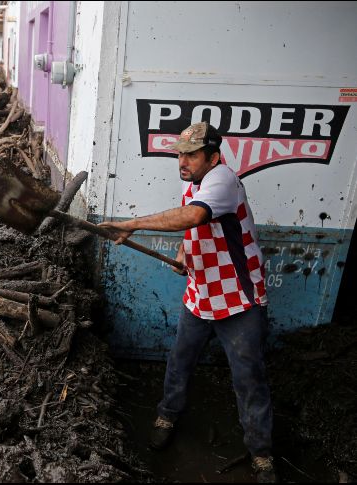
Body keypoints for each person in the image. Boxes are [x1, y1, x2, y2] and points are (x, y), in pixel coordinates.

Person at [98, 122, 276, 483]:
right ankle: (167, 414)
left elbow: (195, 215)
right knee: (179, 360)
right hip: (200, 293)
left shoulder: (223, 180)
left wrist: (132, 223)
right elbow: (197, 225)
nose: (183, 161)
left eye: (191, 154)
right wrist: (184, 251)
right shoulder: (193, 180)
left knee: (248, 378)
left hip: (238, 300)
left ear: (213, 156)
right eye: (180, 153)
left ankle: (261, 453)